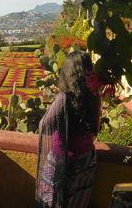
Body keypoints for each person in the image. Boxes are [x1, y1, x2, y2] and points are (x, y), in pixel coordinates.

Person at [36, 51, 101, 208]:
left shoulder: (64, 98)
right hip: (86, 159)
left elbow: (45, 125)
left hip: (62, 161)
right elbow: (96, 126)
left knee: (54, 202)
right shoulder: (93, 96)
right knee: (78, 202)